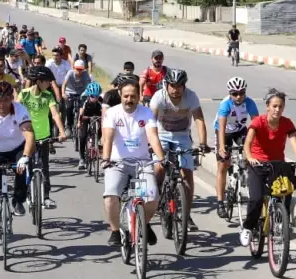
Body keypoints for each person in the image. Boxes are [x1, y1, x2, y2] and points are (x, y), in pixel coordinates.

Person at [100, 80, 161, 261]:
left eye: (133, 96)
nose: (129, 99)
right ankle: (115, 231)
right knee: (111, 195)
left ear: (139, 96)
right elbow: (108, 138)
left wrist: (161, 157)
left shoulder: (146, 112)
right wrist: (106, 159)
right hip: (117, 163)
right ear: (120, 95)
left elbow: (152, 136)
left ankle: (144, 222)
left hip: (142, 164)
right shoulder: (112, 113)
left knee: (151, 198)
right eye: (126, 96)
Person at [241, 89, 296, 248]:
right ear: (268, 106)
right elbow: (247, 143)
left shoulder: (287, 123)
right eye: (275, 106)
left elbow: (295, 143)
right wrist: (250, 157)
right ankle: (248, 228)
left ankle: (281, 222)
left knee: (286, 191)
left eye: (281, 106)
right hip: (257, 164)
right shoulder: (258, 122)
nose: (277, 109)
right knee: (256, 199)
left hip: (277, 164)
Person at [149, 68, 209, 232]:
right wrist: (149, 142)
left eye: (179, 86)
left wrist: (203, 143)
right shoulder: (158, 97)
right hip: (161, 135)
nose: (175, 90)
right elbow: (150, 122)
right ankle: (158, 194)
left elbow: (199, 119)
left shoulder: (191, 97)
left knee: (187, 173)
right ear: (166, 85)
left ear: (184, 86)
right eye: (172, 86)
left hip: (182, 137)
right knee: (159, 167)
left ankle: (186, 214)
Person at [0, 81, 35, 249]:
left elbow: (29, 136)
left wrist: (25, 157)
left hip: (16, 147)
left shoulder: (20, 110)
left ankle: (19, 199)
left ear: (11, 98)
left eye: (4, 100)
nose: (1, 104)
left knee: (23, 166)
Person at [19, 66, 66, 208]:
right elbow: (15, 113)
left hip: (44, 137)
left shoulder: (48, 96)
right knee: (26, 165)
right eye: (47, 81)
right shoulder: (24, 94)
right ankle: (25, 193)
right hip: (27, 137)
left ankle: (46, 197)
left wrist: (62, 132)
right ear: (38, 81)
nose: (49, 84)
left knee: (44, 167)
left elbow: (55, 115)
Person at [215, 76, 259, 214]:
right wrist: (222, 147)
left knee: (250, 152)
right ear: (230, 93)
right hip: (225, 132)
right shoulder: (225, 104)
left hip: (240, 130)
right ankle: (220, 202)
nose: (239, 96)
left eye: (242, 93)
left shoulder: (250, 103)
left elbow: (256, 125)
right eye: (235, 94)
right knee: (222, 165)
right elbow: (221, 127)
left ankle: (243, 171)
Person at [76, 81, 104, 170]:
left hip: (97, 115)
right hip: (85, 116)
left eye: (96, 96)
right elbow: (81, 112)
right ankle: (82, 159)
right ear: (89, 95)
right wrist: (79, 122)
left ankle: (97, 145)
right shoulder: (84, 99)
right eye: (92, 96)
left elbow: (104, 112)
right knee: (82, 136)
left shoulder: (101, 100)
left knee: (101, 132)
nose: (94, 98)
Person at [61, 58, 90, 136]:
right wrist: (63, 94)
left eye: (81, 69)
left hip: (81, 93)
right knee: (69, 107)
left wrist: (87, 94)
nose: (79, 71)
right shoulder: (70, 73)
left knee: (83, 107)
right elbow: (64, 84)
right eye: (77, 69)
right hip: (70, 92)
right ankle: (68, 127)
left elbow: (88, 85)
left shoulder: (85, 74)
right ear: (74, 68)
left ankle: (82, 124)